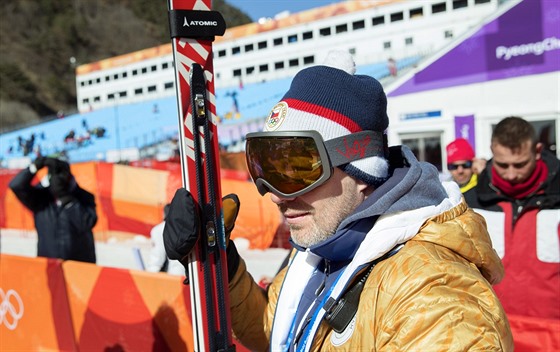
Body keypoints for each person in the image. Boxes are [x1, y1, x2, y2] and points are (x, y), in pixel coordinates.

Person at [164, 51, 513, 351]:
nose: (275, 195)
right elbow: (277, 333)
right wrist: (223, 268)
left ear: (362, 171)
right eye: (265, 168)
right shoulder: (322, 247)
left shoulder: (435, 295)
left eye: (298, 170)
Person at [469, 117, 559, 320]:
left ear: (537, 151)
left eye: (520, 165)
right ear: (492, 149)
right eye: (503, 165)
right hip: (492, 331)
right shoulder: (471, 203)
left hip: (551, 333)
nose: (510, 175)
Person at [9, 156, 97, 263]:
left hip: (79, 265)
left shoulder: (83, 196)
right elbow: (16, 186)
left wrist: (65, 198)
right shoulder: (40, 197)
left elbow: (87, 223)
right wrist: (34, 167)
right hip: (49, 264)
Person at [146, 204, 184, 276]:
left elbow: (158, 255)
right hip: (189, 274)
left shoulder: (159, 229)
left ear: (164, 214)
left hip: (174, 275)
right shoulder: (186, 227)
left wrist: (151, 273)